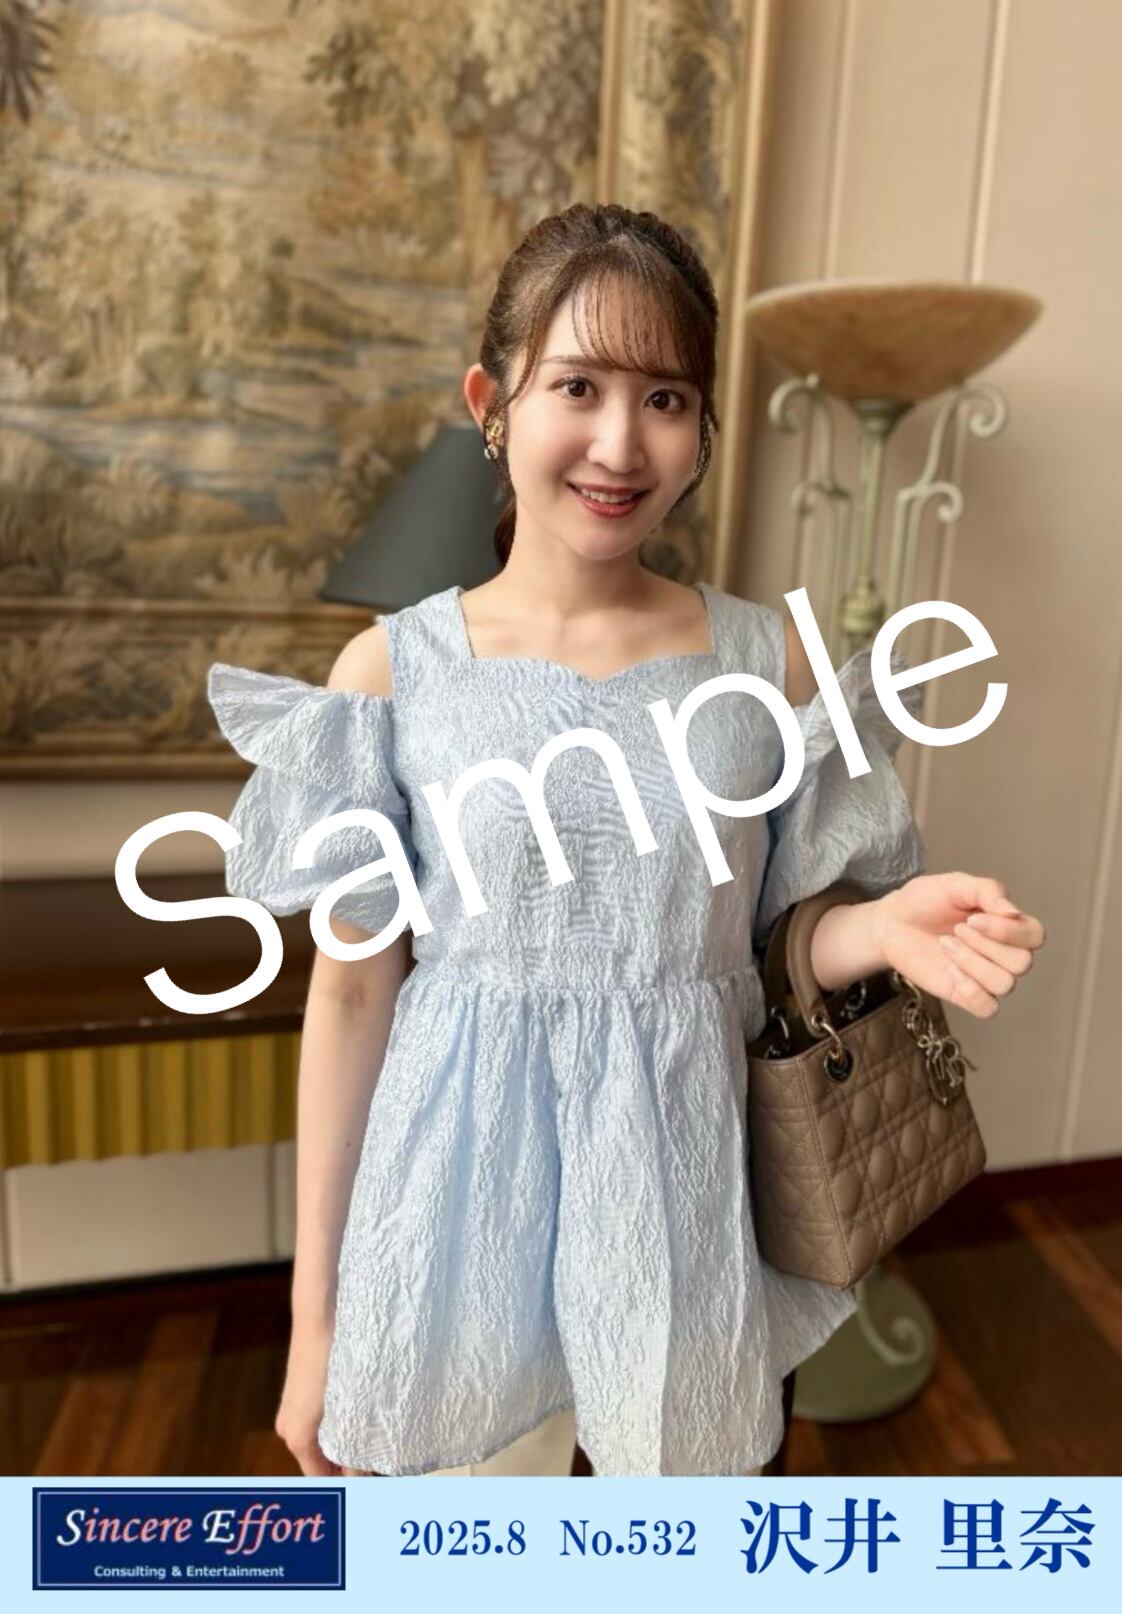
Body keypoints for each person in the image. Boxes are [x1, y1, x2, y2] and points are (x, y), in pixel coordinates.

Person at [206, 203, 1046, 1479]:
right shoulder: (390, 673)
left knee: (672, 1538)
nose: (618, 442)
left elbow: (778, 939)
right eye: (578, 386)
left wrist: (883, 927)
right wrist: (313, 1324)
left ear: (701, 427)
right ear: (493, 404)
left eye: (664, 398)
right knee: (464, 1542)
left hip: (682, 1196)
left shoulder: (765, 659)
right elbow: (353, 992)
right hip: (455, 1205)